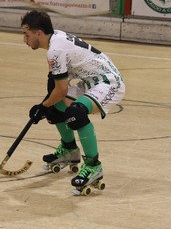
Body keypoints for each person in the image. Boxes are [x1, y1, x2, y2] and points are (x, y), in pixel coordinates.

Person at [22, 10, 125, 191]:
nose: (24, 39)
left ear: (38, 33)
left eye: (26, 34)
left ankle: (94, 166)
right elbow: (55, 89)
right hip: (90, 83)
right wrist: (46, 107)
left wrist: (41, 107)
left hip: (109, 82)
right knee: (54, 108)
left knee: (75, 114)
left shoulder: (55, 50)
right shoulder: (55, 39)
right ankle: (70, 150)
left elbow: (61, 91)